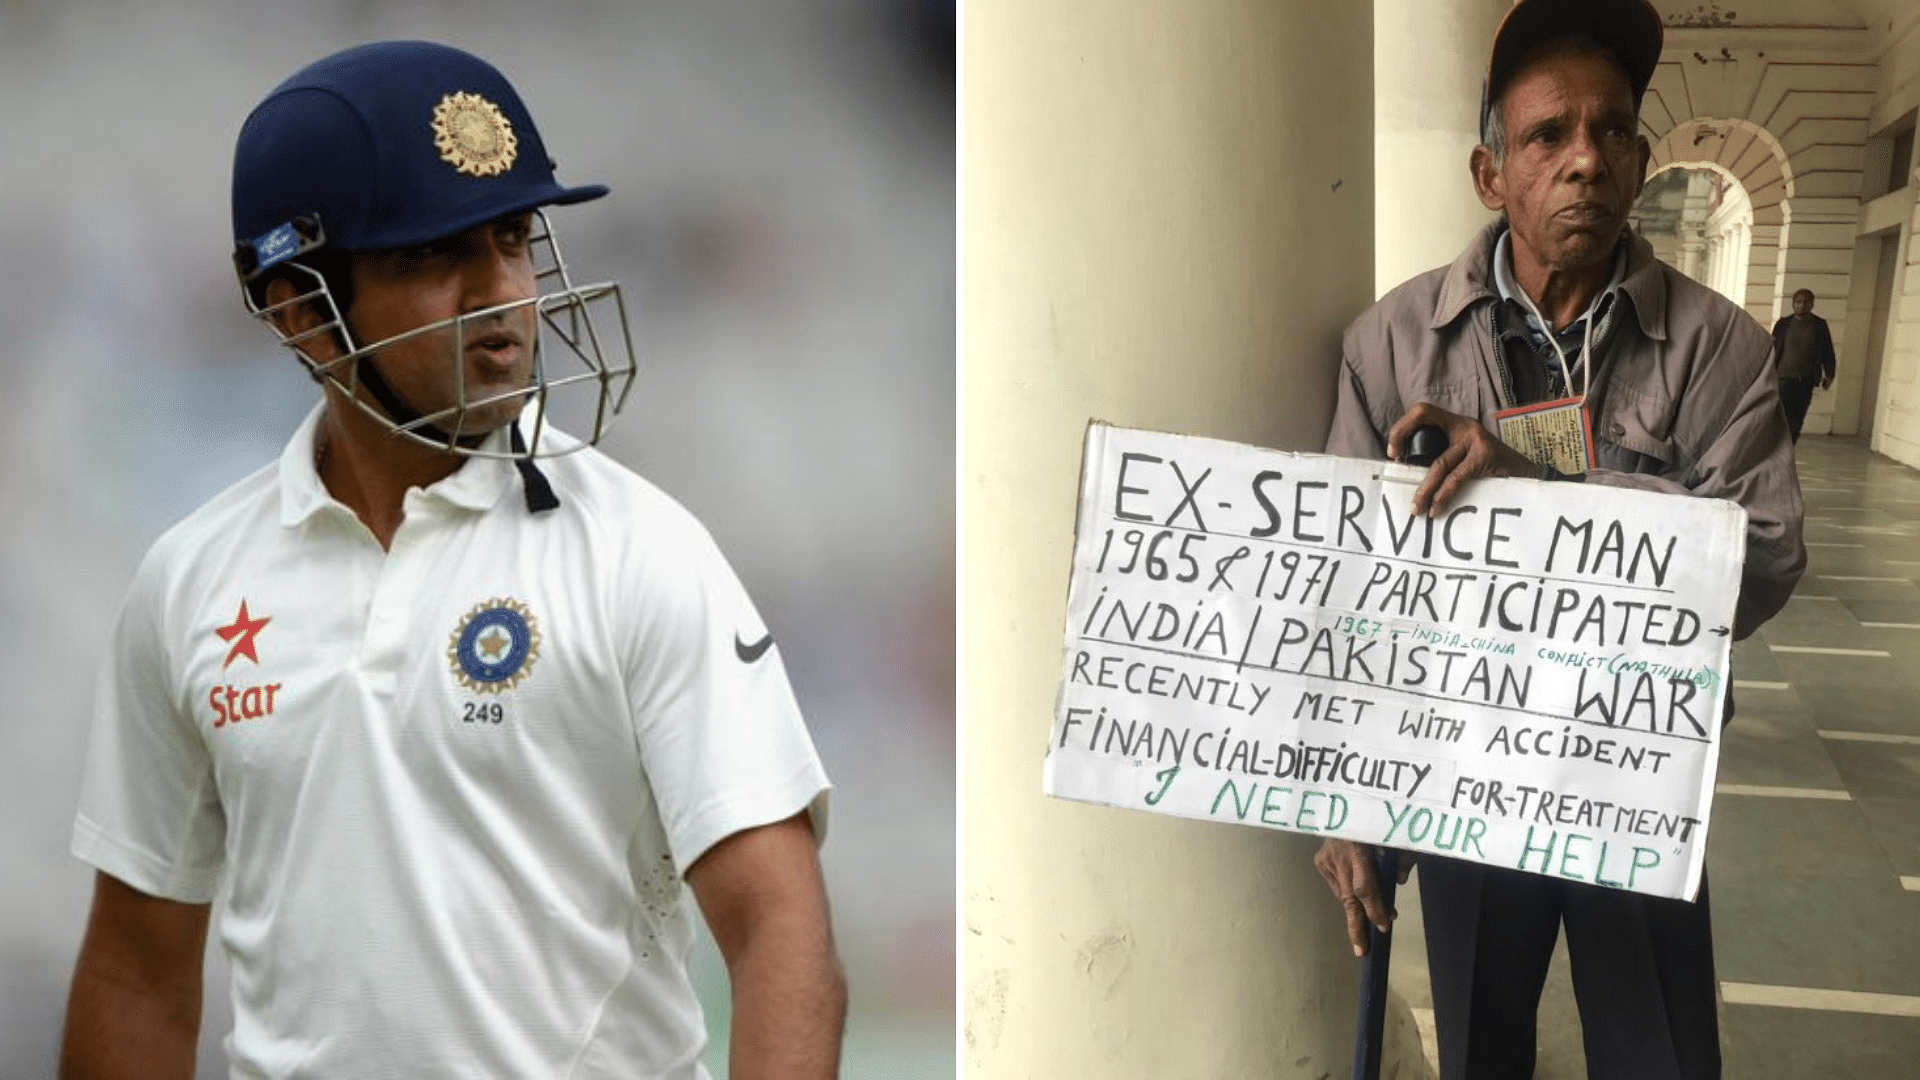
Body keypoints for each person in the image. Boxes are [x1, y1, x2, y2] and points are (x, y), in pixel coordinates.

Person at [60, 41, 843, 1080]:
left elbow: (780, 930)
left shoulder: (642, 552)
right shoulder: (190, 583)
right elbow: (138, 972)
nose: (503, 295)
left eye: (513, 238)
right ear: (301, 308)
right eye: (433, 256)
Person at [1313, 2, 1805, 1079]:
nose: (1584, 159)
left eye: (1612, 131)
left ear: (1639, 161)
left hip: (1634, 769)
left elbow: (1763, 553)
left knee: (1660, 1054)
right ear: (1493, 174)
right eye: (1548, 137)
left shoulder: (1721, 349)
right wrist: (1343, 798)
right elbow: (1340, 588)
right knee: (1480, 1049)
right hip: (1459, 775)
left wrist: (1537, 492)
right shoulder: (1390, 344)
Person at [1770, 288, 1838, 441]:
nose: (1801, 305)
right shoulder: (1783, 324)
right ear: (1793, 304)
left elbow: (1828, 353)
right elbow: (1772, 350)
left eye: (1805, 302)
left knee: (1797, 419)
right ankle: (1778, 447)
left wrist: (1829, 375)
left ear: (1812, 304)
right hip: (1783, 379)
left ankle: (1789, 446)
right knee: (1782, 417)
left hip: (1805, 380)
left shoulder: (1819, 325)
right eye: (1798, 302)